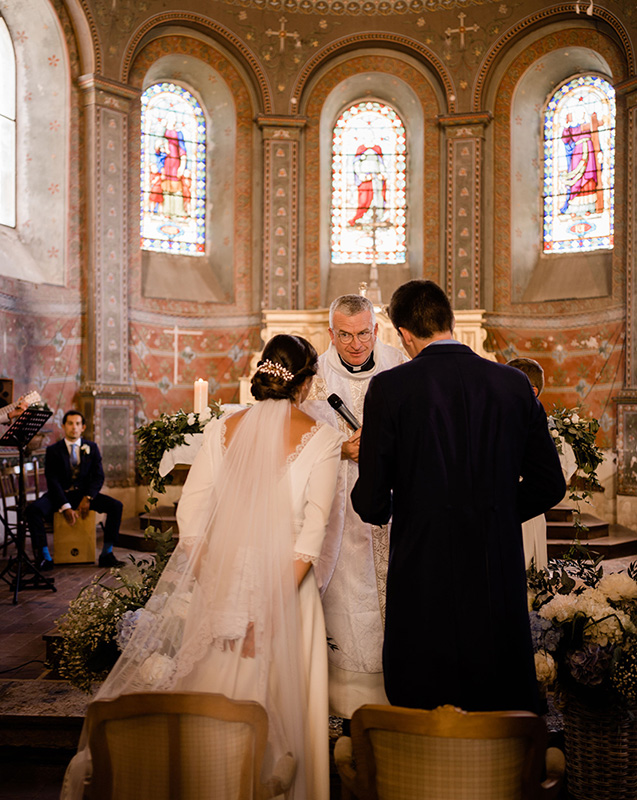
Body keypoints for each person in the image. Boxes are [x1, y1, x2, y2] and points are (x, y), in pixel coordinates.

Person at [61, 335, 342, 800]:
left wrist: (225, 585)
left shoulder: (221, 429)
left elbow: (190, 518)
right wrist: (265, 606)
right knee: (284, 707)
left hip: (221, 586)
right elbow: (311, 536)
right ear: (306, 382)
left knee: (212, 701)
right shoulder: (326, 439)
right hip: (288, 595)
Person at [351, 280, 566, 715]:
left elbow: (372, 503)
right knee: (496, 693)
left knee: (423, 696)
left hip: (422, 572)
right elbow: (550, 484)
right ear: (450, 322)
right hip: (495, 569)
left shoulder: (390, 389)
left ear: (404, 334)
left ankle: (423, 778)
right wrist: (498, 511)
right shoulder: (513, 385)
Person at [302, 294, 405, 723]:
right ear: (331, 333)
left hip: (397, 506)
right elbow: (299, 442)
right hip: (340, 512)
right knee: (349, 597)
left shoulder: (399, 365)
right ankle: (348, 704)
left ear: (376, 330)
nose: (356, 344)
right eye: (345, 335)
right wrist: (341, 449)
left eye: (364, 333)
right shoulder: (316, 378)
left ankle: (398, 696)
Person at [25, 410, 124, 571]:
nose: (74, 427)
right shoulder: (53, 450)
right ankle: (45, 557)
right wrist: (65, 506)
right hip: (59, 495)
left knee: (116, 506)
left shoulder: (92, 447)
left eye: (77, 424)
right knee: (33, 510)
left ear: (83, 427)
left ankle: (107, 553)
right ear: (63, 426)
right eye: (70, 423)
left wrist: (88, 498)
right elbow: (52, 480)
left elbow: (98, 476)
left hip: (83, 495)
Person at [507, 357, 577, 570]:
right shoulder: (500, 421)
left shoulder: (547, 431)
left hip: (526, 508)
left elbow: (557, 480)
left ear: (532, 391)